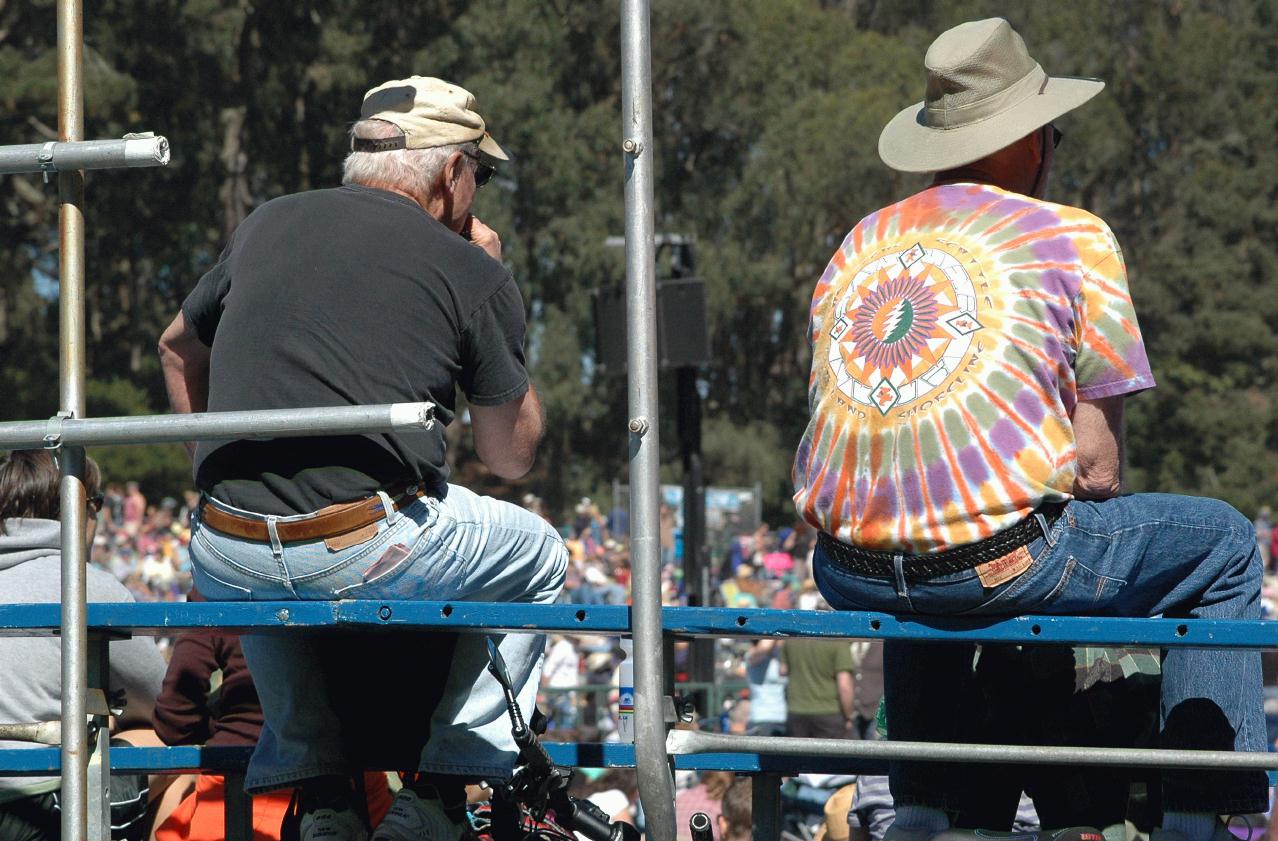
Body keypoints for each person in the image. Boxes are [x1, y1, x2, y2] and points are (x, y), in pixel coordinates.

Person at [793, 17, 1266, 841]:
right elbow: (1097, 472)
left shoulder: (860, 242)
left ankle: (922, 813)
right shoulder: (1071, 235)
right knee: (1225, 543)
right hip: (999, 565)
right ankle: (1201, 816)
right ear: (1032, 143)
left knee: (915, 534)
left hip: (846, 569)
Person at [157, 75, 567, 841]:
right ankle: (442, 788)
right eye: (485, 173)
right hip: (366, 542)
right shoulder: (469, 267)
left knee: (259, 565)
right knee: (541, 553)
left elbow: (175, 349)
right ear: (452, 174)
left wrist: (207, 462)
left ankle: (322, 794)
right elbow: (510, 454)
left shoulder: (265, 222)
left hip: (220, 547)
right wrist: (493, 279)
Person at [0, 451, 167, 840]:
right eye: (99, 505)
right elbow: (167, 707)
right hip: (39, 808)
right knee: (171, 738)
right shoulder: (88, 585)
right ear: (82, 507)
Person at [745, 639, 788, 737]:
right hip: (761, 718)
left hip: (782, 719)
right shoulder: (752, 655)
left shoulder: (779, 656)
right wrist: (776, 632)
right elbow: (764, 648)